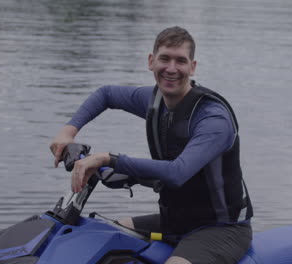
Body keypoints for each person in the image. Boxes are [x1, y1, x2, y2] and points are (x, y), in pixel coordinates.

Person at [50, 26, 253, 264]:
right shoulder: (154, 101)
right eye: (164, 59)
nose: (171, 68)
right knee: (105, 234)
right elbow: (106, 95)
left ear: (193, 67)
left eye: (181, 61)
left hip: (221, 229)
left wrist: (107, 159)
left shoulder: (213, 120)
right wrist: (67, 132)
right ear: (151, 61)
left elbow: (177, 172)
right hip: (176, 220)